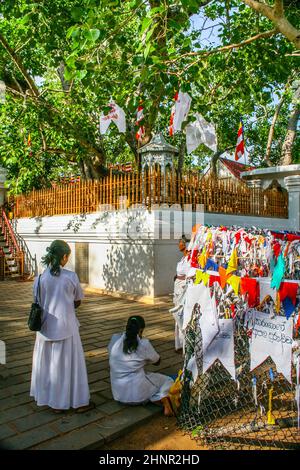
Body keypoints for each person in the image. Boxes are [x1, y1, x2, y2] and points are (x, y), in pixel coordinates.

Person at [30, 240, 93, 413]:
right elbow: (77, 301)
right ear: (64, 257)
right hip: (67, 328)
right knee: (69, 366)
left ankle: (51, 400)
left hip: (44, 329)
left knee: (49, 365)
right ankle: (76, 401)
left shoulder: (40, 279)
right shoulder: (70, 277)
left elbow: (37, 302)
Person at [108, 315, 175, 416]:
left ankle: (156, 398)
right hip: (138, 396)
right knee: (167, 380)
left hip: (118, 395)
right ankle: (161, 398)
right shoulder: (143, 344)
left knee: (147, 376)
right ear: (140, 330)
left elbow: (113, 355)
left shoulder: (115, 338)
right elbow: (157, 361)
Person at [171, 235, 190, 352]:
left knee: (181, 313)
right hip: (178, 286)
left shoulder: (189, 260)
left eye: (180, 243)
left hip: (183, 288)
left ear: (185, 245)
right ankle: (178, 343)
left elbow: (189, 274)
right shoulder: (183, 259)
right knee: (176, 312)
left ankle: (184, 343)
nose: (178, 245)